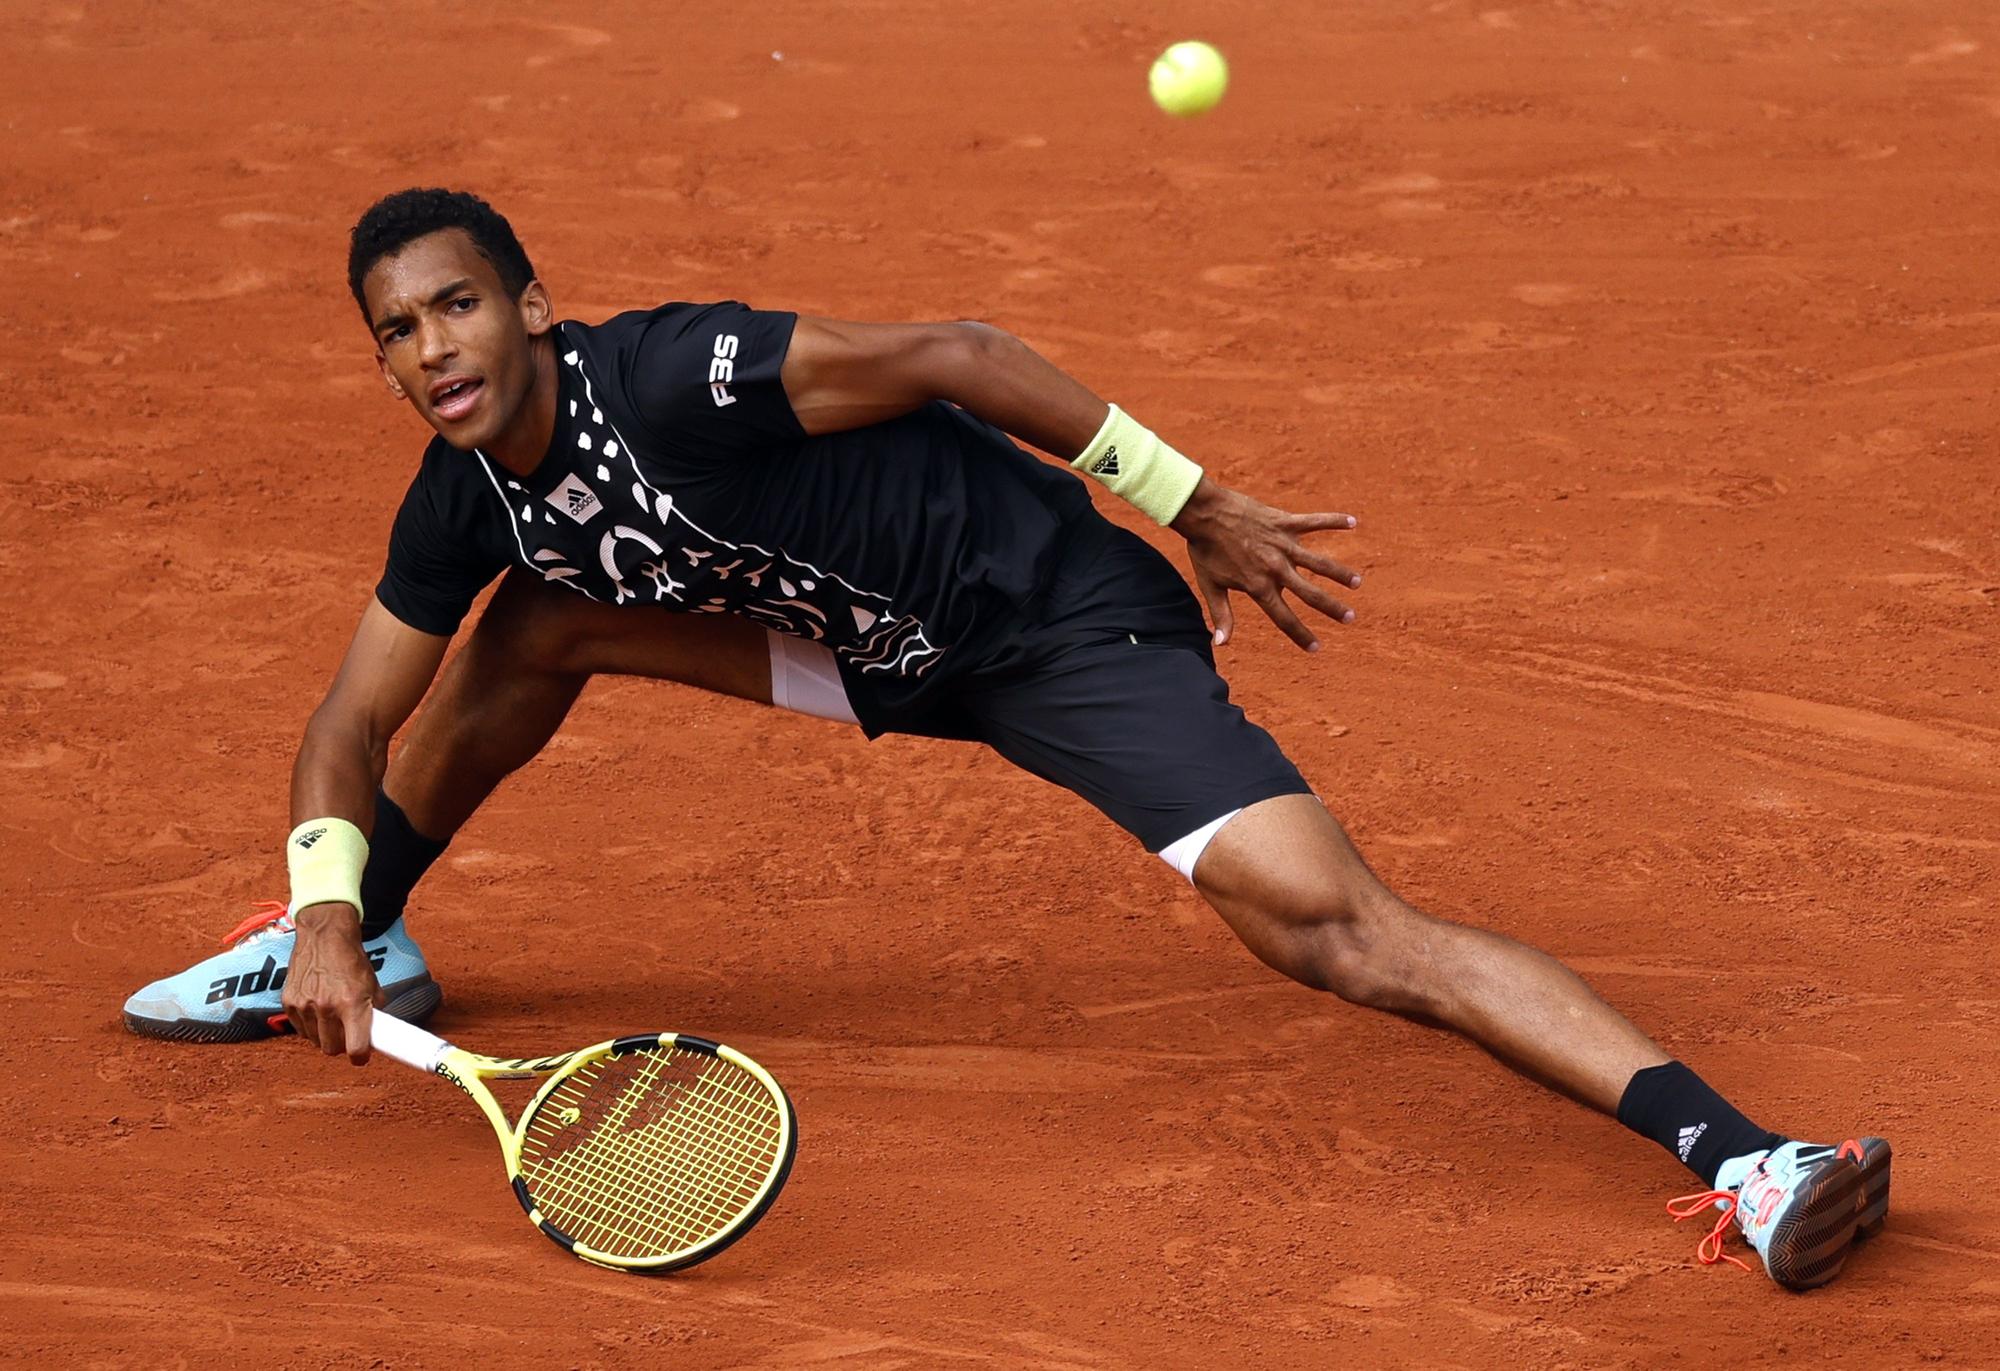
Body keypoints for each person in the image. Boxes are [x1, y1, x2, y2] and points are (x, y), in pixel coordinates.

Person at [124, 188, 1889, 1290]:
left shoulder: (674, 379)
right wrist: (330, 911)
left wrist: (1192, 504)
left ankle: (1746, 1157)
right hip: (866, 650)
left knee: (1330, 928)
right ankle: (368, 932)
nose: (431, 349)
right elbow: (350, 717)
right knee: (532, 629)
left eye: (454, 306)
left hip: (1044, 623)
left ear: (526, 303)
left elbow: (959, 351)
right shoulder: (464, 502)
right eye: (395, 333)